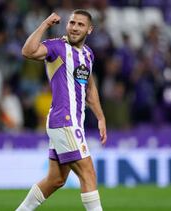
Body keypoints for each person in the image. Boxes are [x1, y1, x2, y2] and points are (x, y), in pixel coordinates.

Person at [16, 9, 107, 211]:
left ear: (89, 30)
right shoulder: (56, 47)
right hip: (64, 120)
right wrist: (46, 24)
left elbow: (89, 89)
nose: (75, 27)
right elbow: (28, 51)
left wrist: (100, 117)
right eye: (72, 23)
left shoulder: (88, 55)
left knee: (56, 179)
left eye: (80, 24)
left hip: (73, 122)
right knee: (88, 172)